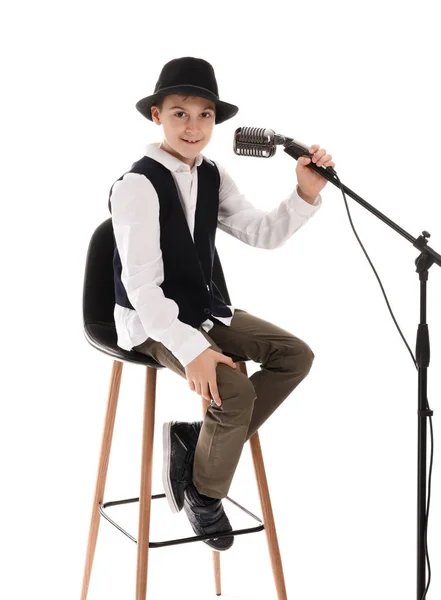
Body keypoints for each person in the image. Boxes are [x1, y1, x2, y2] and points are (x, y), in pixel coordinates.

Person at [108, 56, 335, 552]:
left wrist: (304, 192)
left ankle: (198, 443)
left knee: (295, 355)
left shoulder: (212, 174)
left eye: (204, 115)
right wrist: (195, 352)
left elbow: (260, 232)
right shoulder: (137, 186)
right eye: (180, 114)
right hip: (153, 321)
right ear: (157, 116)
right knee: (234, 394)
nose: (193, 127)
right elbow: (145, 291)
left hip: (205, 305)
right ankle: (205, 495)